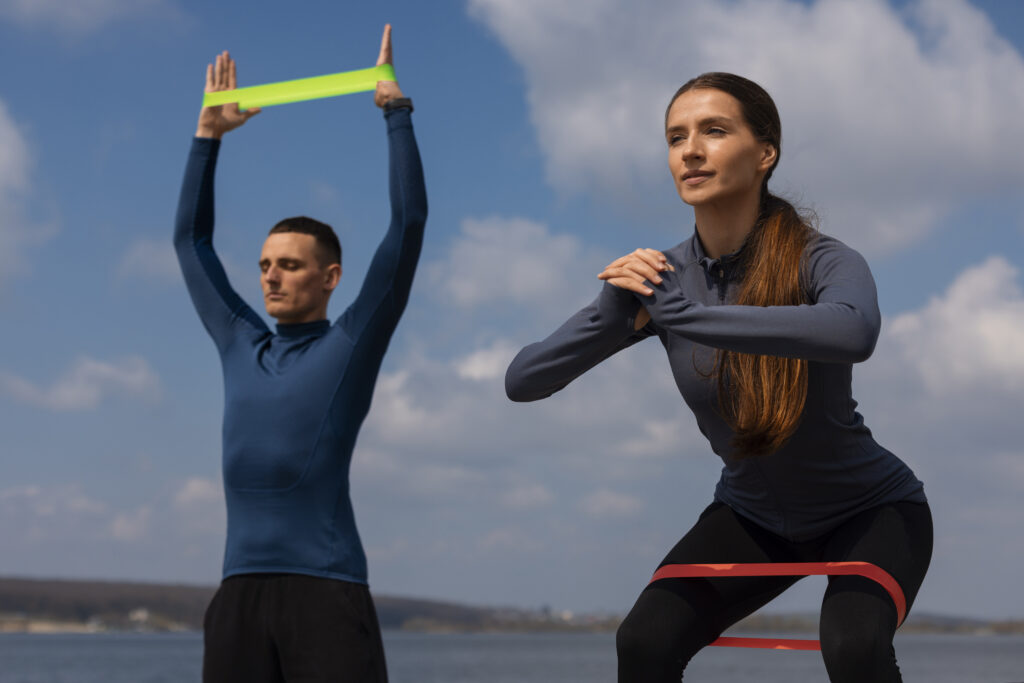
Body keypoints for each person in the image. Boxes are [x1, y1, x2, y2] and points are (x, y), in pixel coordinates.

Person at [504, 72, 931, 682]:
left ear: (765, 152)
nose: (691, 150)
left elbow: (853, 331)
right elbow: (523, 380)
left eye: (714, 130)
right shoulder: (663, 277)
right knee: (644, 643)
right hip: (753, 517)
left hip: (871, 510)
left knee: (854, 648)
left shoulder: (823, 259)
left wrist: (691, 316)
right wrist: (609, 314)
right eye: (676, 137)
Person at [173, 25, 425, 683]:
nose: (270, 276)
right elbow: (190, 243)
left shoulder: (350, 342)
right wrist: (207, 138)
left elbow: (407, 229)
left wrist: (396, 113)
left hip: (326, 590)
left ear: (330, 277)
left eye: (289, 264)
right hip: (237, 595)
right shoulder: (238, 340)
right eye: (263, 265)